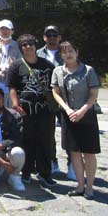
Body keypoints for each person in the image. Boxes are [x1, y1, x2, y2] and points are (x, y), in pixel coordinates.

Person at [51, 41, 101, 200]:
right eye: (64, 52)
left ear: (77, 52)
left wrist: (82, 110)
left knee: (89, 152)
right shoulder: (58, 71)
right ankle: (80, 185)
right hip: (68, 116)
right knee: (74, 152)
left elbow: (93, 94)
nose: (68, 54)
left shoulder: (88, 70)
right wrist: (67, 109)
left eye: (71, 51)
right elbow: (55, 92)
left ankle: (90, 187)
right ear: (61, 54)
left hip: (86, 115)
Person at [6, 34, 56, 187]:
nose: (28, 47)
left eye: (31, 44)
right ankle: (26, 171)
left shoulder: (47, 65)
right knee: (27, 141)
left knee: (45, 141)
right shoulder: (16, 65)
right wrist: (15, 104)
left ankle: (45, 173)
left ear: (36, 46)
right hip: (25, 109)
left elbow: (54, 87)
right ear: (21, 48)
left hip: (44, 110)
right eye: (25, 45)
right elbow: (12, 87)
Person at [36, 25, 65, 176]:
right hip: (45, 98)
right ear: (44, 37)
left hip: (64, 97)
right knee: (47, 133)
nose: (52, 38)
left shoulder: (66, 51)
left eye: (55, 35)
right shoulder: (38, 53)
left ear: (59, 37)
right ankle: (51, 160)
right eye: (49, 35)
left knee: (68, 132)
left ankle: (72, 163)